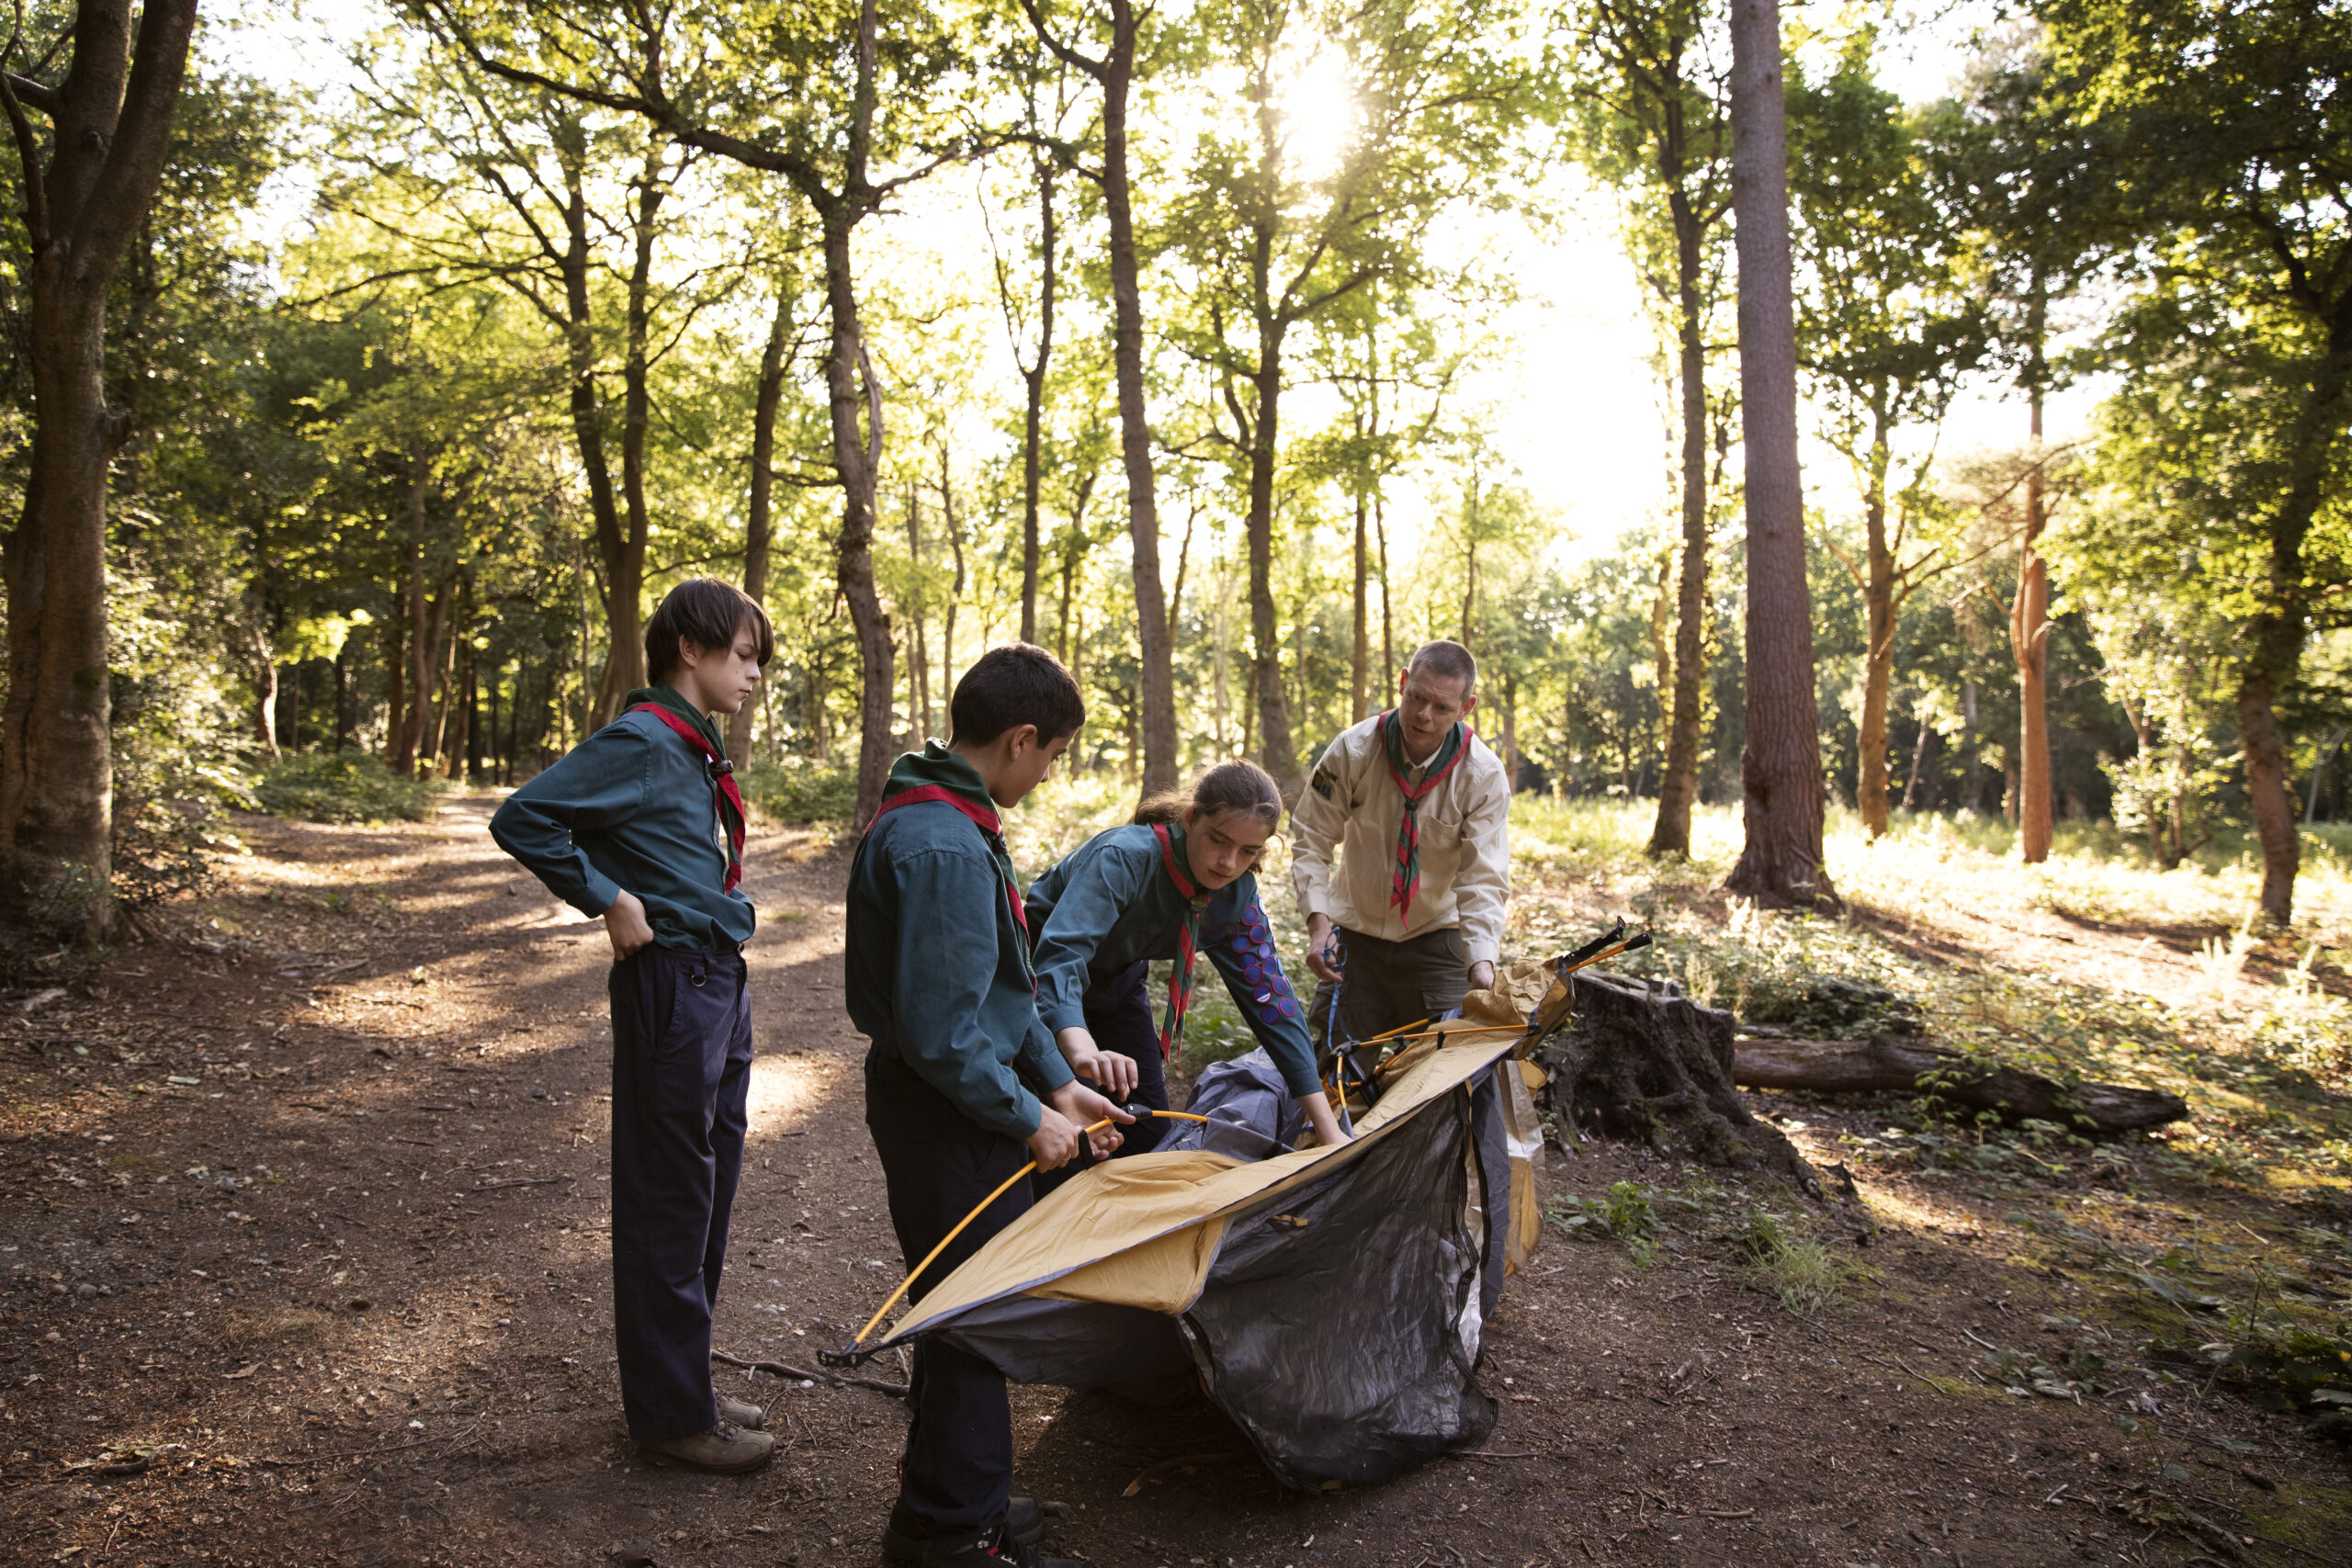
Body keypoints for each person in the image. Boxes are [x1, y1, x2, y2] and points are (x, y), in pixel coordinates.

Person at [847, 644, 1132, 1568]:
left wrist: (1059, 1081)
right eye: (1051, 755)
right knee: (974, 1316)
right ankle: (951, 1537)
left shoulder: (954, 819)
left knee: (962, 1304)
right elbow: (943, 1034)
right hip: (947, 1110)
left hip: (967, 1097)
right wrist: (1027, 1117)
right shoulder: (938, 844)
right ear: (1019, 739)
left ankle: (952, 1498)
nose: (1049, 774)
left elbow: (1001, 990)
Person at [489, 578, 776, 1473]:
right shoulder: (648, 738)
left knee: (708, 1192)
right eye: (742, 654)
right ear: (689, 650)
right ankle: (670, 1419)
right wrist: (609, 898)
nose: (755, 674)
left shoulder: (693, 750)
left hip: (716, 983)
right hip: (671, 986)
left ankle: (682, 1379)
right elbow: (524, 817)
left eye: (758, 659)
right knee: (668, 1200)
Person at [1024, 761, 1350, 1184]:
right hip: (1031, 985)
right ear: (1191, 818)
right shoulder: (1124, 858)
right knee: (1060, 1139)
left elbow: (1274, 1007)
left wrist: (1330, 1136)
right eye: (1219, 840)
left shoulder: (1236, 898)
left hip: (1119, 985)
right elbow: (1059, 957)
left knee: (1146, 1132)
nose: (1229, 863)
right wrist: (1080, 1047)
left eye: (1249, 851)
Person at [1293, 639, 1511, 1057]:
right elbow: (1310, 838)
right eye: (1417, 698)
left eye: (1442, 708)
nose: (1424, 716)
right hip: (1356, 930)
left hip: (1437, 932)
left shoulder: (1482, 775)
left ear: (1466, 708)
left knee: (1448, 1070)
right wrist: (1319, 927)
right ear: (1403, 683)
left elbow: (1483, 877)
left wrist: (1482, 965)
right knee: (1336, 1069)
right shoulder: (1353, 750)